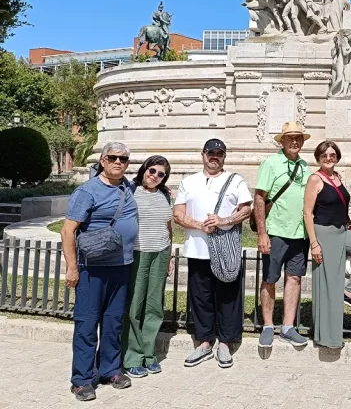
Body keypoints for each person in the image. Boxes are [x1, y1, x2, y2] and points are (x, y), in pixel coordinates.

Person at [61, 142, 138, 402]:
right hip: (92, 268)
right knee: (86, 322)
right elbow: (67, 230)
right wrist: (72, 268)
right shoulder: (87, 191)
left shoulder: (128, 187)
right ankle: (81, 379)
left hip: (121, 266)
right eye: (113, 158)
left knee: (113, 321)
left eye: (123, 159)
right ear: (103, 161)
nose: (118, 162)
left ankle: (110, 370)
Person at [174, 139, 252, 369]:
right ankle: (205, 341)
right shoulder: (189, 181)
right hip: (197, 249)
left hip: (226, 249)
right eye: (211, 153)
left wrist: (225, 220)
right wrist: (201, 225)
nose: (215, 157)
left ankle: (226, 343)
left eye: (220, 153)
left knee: (228, 296)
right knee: (201, 297)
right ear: (203, 155)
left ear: (224, 156)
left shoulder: (235, 180)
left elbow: (245, 209)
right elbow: (178, 214)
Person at [303, 140, 351, 348]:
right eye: (324, 155)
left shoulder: (338, 177)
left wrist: (348, 223)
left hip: (342, 230)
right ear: (318, 158)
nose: (329, 158)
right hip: (324, 233)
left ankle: (350, 291)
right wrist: (314, 243)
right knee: (328, 286)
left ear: (337, 157)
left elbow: (341, 205)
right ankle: (328, 339)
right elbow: (307, 213)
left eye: (332, 155)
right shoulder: (315, 179)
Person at [253, 122, 311, 349]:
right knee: (270, 278)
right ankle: (268, 325)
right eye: (290, 138)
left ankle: (287, 326)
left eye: (299, 138)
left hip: (299, 233)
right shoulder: (271, 163)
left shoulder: (305, 166)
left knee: (294, 278)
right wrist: (262, 234)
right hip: (276, 231)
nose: (295, 142)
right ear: (282, 141)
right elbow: (259, 198)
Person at [122, 156, 174, 378]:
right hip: (137, 253)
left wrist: (170, 255)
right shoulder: (130, 191)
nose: (154, 176)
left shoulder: (165, 195)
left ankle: (149, 354)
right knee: (135, 304)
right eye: (152, 170)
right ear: (144, 170)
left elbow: (168, 226)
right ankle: (132, 356)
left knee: (154, 306)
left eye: (161, 174)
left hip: (160, 252)